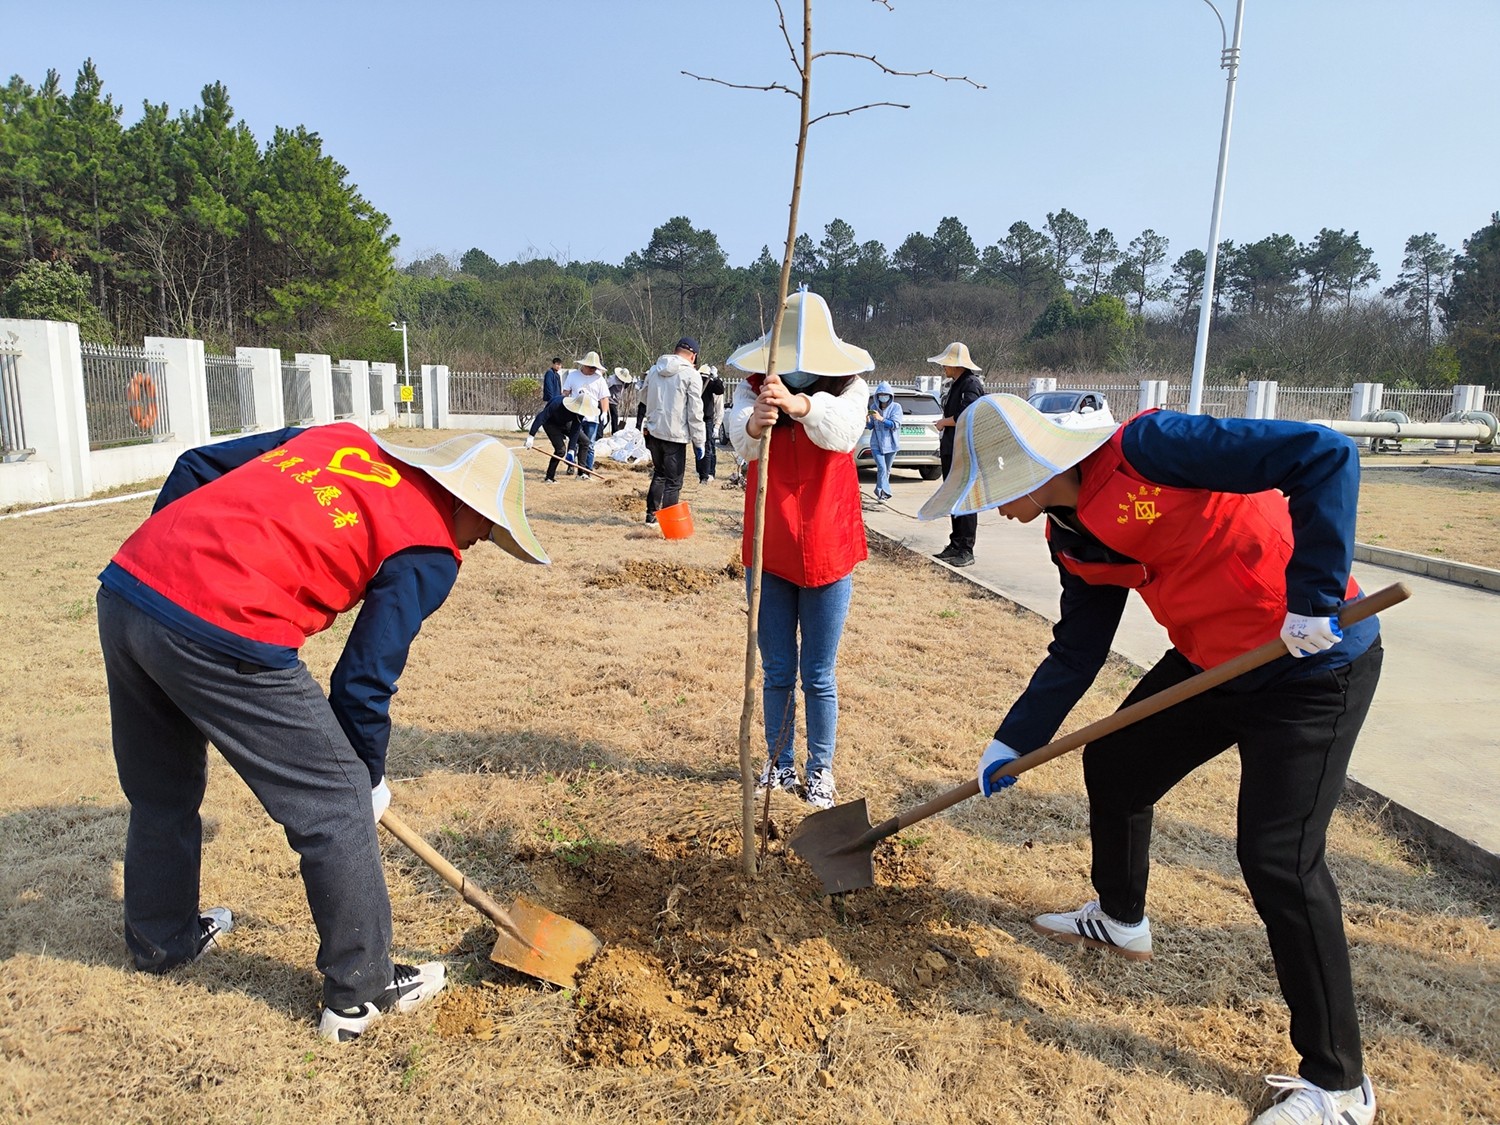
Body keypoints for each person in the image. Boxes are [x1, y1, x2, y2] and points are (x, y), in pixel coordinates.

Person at [919, 395, 1383, 1125]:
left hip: (1310, 661)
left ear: (1033, 470)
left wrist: (1316, 596)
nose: (992, 510)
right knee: (1117, 760)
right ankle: (1121, 914)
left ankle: (1340, 1084)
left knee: (1278, 857)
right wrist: (1015, 738)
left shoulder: (1152, 447)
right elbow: (1078, 647)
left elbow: (1324, 455)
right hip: (1215, 661)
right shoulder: (1070, 538)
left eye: (994, 493)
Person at [96, 424, 549, 1043]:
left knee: (161, 789)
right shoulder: (431, 549)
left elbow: (195, 464)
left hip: (130, 586)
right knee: (335, 806)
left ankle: (161, 938)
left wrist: (175, 556)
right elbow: (363, 681)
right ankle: (362, 993)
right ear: (466, 505)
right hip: (228, 628)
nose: (478, 544)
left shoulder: (337, 439)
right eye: (487, 531)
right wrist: (366, 777)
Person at [725, 289, 870, 810]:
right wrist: (754, 421)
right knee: (778, 669)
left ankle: (820, 769)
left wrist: (800, 405)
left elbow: (843, 433)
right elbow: (739, 442)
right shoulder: (751, 390)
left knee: (819, 674)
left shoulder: (850, 391)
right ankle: (779, 762)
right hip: (770, 548)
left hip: (829, 546)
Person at [928, 342, 985, 567]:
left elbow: (967, 414)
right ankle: (956, 543)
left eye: (946, 363)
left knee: (965, 499)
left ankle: (966, 548)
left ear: (956, 364)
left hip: (964, 451)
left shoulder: (971, 384)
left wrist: (944, 422)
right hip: (951, 449)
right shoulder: (956, 384)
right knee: (954, 497)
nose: (943, 367)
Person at [642, 337, 706, 524]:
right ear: (693, 356)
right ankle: (669, 523)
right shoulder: (691, 375)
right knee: (674, 482)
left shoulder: (654, 370)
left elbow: (644, 396)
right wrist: (699, 441)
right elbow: (695, 411)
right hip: (675, 436)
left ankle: (651, 515)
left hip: (654, 432)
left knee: (659, 474)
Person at [561, 351, 611, 480]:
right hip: (575, 414)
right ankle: (571, 465)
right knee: (575, 442)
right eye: (591, 367)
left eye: (595, 368)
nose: (592, 370)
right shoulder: (573, 376)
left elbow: (604, 397)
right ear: (584, 365)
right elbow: (565, 392)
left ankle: (586, 471)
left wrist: (604, 412)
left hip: (592, 416)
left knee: (589, 444)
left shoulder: (599, 379)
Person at [865, 380, 902, 501]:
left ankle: (880, 492)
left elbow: (895, 424)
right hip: (876, 444)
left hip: (891, 444)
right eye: (880, 395)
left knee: (887, 470)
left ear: (890, 396)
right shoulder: (874, 407)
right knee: (882, 468)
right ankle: (884, 493)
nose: (883, 397)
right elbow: (870, 427)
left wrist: (881, 418)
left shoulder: (896, 407)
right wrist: (867, 419)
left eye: (885, 394)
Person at [696, 363, 726, 483]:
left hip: (710, 420)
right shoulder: (696, 384)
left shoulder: (713, 385)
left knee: (709, 447)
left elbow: (720, 409)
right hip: (697, 418)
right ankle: (701, 472)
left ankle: (709, 473)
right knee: (698, 446)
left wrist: (717, 426)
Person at [606, 367, 634, 434]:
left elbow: (625, 386)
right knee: (612, 416)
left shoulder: (623, 382)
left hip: (615, 401)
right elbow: (605, 387)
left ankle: (614, 432)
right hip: (609, 400)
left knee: (612, 417)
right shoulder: (612, 379)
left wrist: (631, 382)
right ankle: (614, 432)